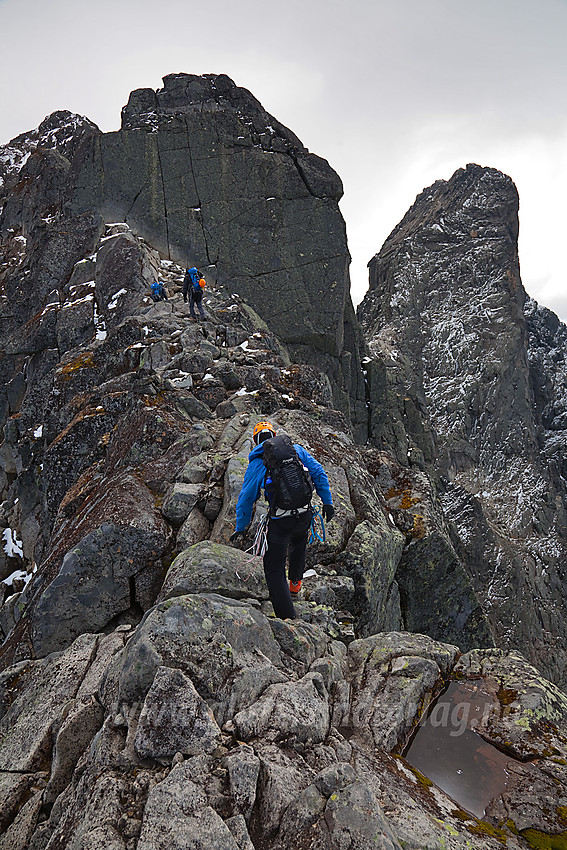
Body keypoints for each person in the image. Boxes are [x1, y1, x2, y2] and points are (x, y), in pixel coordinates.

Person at [230, 421, 334, 619]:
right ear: (275, 435)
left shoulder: (258, 462)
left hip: (280, 520)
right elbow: (319, 472)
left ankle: (288, 619)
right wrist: (327, 502)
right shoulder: (296, 451)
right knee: (298, 544)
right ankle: (295, 587)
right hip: (304, 514)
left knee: (274, 568)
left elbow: (246, 498)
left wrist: (241, 527)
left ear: (256, 441)